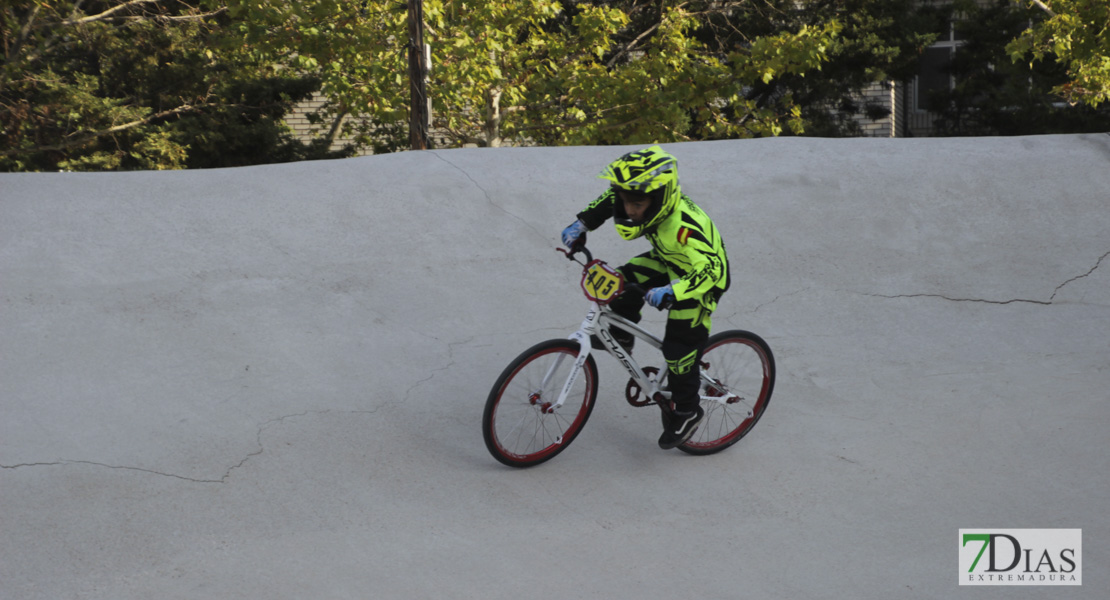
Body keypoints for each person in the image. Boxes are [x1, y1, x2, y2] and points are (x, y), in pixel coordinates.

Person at [561, 145, 730, 449]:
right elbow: (611, 199)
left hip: (702, 279)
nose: (629, 211)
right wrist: (582, 223)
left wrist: (674, 291)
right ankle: (623, 337)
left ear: (660, 198)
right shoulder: (634, 202)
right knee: (622, 282)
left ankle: (689, 410)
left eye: (636, 204)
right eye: (627, 202)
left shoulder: (684, 226)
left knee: (679, 350)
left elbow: (713, 271)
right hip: (669, 260)